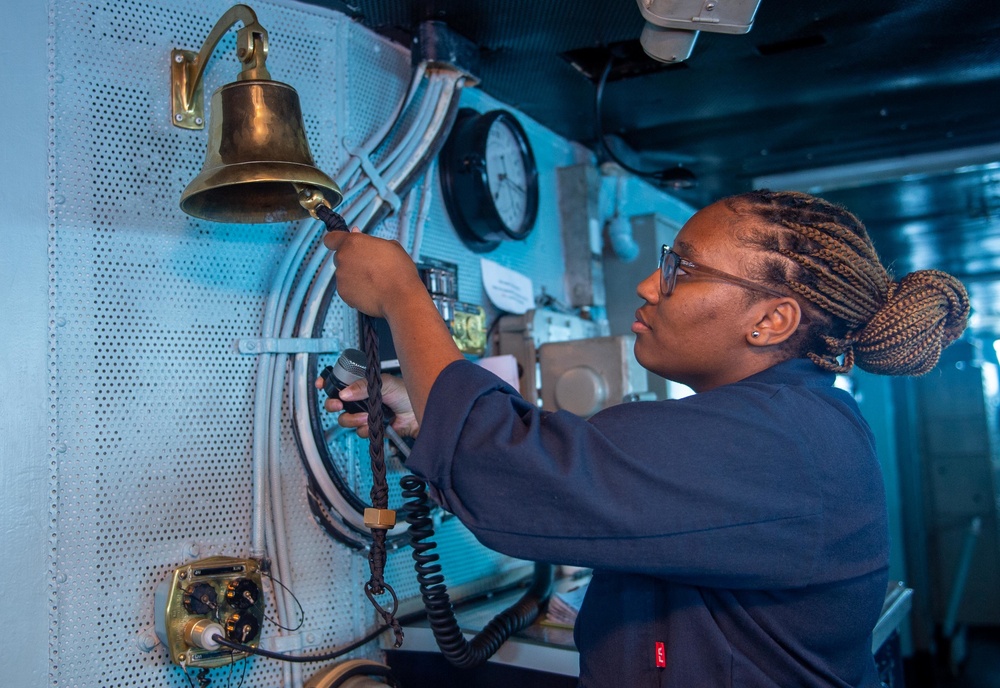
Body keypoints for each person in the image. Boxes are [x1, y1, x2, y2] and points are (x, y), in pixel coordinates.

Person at [318, 189, 969, 687]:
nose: (649, 285)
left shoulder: (781, 440)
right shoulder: (791, 423)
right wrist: (425, 412)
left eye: (680, 269)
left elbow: (517, 473)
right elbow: (576, 467)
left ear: (772, 320)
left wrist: (403, 295)